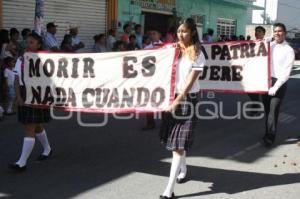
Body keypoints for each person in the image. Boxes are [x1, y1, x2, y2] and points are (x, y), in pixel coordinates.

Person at [159, 18, 205, 199]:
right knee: (177, 142)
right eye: (178, 31)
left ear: (192, 32)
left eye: (184, 31)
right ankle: (183, 169)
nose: (181, 34)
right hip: (172, 98)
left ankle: (168, 190)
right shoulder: (172, 50)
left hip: (188, 100)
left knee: (178, 144)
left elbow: (190, 81)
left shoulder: (199, 54)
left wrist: (178, 100)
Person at [9, 32, 52, 172]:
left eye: (32, 42)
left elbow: (50, 79)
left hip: (37, 95)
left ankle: (22, 162)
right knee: (36, 125)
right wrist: (18, 97)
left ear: (39, 44)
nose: (28, 44)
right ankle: (47, 148)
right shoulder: (21, 59)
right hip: (24, 94)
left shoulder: (44, 59)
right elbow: (16, 79)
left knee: (30, 127)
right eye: (27, 42)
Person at [262, 23, 294, 147]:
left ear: (285, 33)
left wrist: (276, 86)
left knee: (273, 110)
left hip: (279, 83)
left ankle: (270, 136)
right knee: (267, 110)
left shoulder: (288, 50)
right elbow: (256, 49)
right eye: (275, 31)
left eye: (280, 31)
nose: (277, 33)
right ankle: (268, 131)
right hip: (265, 81)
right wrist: (267, 40)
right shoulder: (270, 46)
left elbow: (286, 72)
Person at [248, 26, 266, 116]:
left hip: (264, 73)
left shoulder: (267, 44)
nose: (257, 33)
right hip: (252, 72)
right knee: (250, 91)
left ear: (263, 33)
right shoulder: (251, 44)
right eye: (256, 31)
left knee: (264, 94)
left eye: (259, 31)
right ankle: (256, 105)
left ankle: (257, 108)